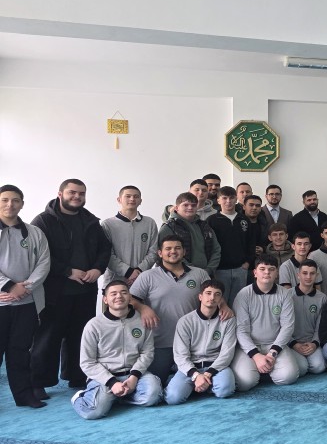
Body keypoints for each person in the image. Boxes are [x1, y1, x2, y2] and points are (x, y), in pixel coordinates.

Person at [32, 178, 111, 395]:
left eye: (81, 193)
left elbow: (105, 249)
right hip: (55, 291)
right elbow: (39, 255)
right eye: (72, 192)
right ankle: (38, 382)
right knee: (49, 337)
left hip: (85, 290)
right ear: (60, 194)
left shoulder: (91, 221)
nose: (77, 197)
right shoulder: (43, 221)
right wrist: (67, 271)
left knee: (81, 336)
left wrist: (98, 269)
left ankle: (76, 376)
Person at [128, 235, 212, 385]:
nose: (173, 251)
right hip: (161, 343)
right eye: (168, 248)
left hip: (193, 343)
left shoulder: (200, 274)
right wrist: (143, 307)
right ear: (160, 253)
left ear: (184, 252)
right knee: (156, 383)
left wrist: (224, 306)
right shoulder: (147, 276)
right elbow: (130, 300)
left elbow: (214, 296)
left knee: (197, 383)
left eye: (177, 248)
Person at [72, 280, 162, 419]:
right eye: (113, 294)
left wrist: (134, 377)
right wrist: (112, 383)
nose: (119, 296)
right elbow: (87, 362)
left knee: (153, 396)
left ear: (130, 297)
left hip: (134, 374)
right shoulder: (93, 325)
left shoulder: (142, 320)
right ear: (105, 300)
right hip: (105, 377)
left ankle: (117, 397)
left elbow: (147, 352)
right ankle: (82, 397)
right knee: (94, 412)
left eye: (123, 292)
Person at [0, 184, 50, 408]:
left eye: (15, 200)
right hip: (1, 302)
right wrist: (9, 286)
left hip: (26, 302)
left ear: (22, 204)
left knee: (20, 352)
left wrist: (26, 288)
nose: (10, 204)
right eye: (4, 200)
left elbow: (44, 262)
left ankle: (24, 395)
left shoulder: (34, 232)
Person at [231, 255, 300, 390]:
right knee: (245, 382)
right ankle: (260, 368)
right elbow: (241, 330)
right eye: (262, 269)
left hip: (274, 344)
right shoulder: (243, 295)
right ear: (255, 273)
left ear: (277, 273)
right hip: (249, 346)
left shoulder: (285, 294)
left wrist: (272, 353)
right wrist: (256, 356)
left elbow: (287, 327)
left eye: (271, 269)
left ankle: (264, 368)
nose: (267, 272)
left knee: (289, 376)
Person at [164, 279, 237, 404]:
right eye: (208, 293)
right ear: (200, 297)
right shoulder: (185, 321)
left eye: (217, 294)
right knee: (173, 398)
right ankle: (199, 384)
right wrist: (196, 375)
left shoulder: (228, 320)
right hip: (191, 367)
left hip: (216, 366)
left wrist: (208, 374)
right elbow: (180, 355)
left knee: (225, 390)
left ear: (221, 299)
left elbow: (227, 353)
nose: (212, 297)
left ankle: (202, 384)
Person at [100, 185, 158, 291]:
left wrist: (139, 271)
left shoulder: (150, 223)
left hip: (142, 281)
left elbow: (153, 251)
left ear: (140, 201)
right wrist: (128, 272)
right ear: (119, 200)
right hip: (114, 284)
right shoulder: (108, 224)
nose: (132, 199)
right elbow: (106, 254)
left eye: (136, 196)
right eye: (128, 196)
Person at [208, 186, 254, 305]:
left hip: (241, 268)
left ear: (236, 199)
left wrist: (247, 262)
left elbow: (251, 242)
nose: (228, 201)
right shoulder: (211, 220)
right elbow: (208, 245)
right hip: (220, 270)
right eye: (224, 198)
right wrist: (213, 266)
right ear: (218, 200)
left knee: (239, 303)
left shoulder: (244, 219)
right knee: (220, 304)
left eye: (232, 198)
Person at [159, 192, 220, 274]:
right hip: (179, 275)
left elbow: (216, 249)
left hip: (206, 274)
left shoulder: (205, 226)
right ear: (176, 208)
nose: (190, 208)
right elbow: (164, 253)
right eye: (185, 205)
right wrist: (192, 271)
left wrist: (209, 269)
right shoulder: (169, 227)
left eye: (193, 205)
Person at [286, 260, 326, 376]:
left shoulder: (322, 298)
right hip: (292, 343)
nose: (308, 277)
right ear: (298, 275)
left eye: (312, 273)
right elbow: (281, 325)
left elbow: (321, 325)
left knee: (319, 367)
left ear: (316, 275)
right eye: (304, 273)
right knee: (302, 368)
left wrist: (314, 343)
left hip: (311, 342)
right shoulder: (287, 295)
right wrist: (294, 344)